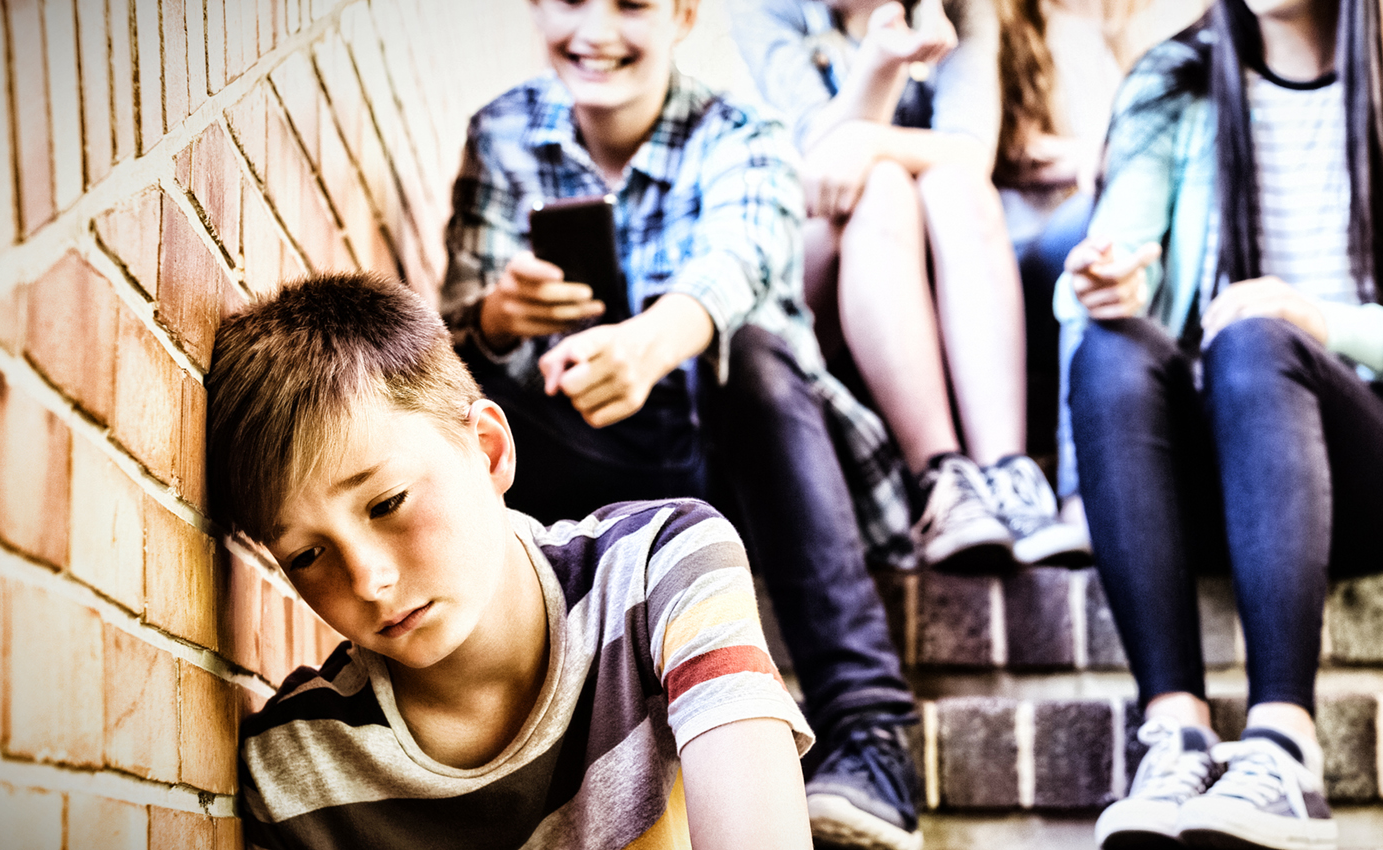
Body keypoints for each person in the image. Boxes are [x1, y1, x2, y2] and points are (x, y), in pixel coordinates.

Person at [437, 0, 927, 847]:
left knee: (761, 358)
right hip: (583, 449)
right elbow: (451, 322)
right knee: (465, 398)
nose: (595, 30)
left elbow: (740, 257)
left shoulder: (743, 129)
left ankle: (871, 736)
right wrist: (499, 315)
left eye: (630, 5)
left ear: (682, 16)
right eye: (569, 1)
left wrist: (652, 343)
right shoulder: (503, 130)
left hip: (739, 451)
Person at [1061, 0, 1383, 847]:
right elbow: (1116, 257)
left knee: (1260, 337)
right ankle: (1176, 736)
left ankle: (1282, 746)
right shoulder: (1172, 80)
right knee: (1109, 351)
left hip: (1369, 473)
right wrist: (1101, 280)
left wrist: (1318, 319)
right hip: (1219, 483)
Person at [211, 274, 813, 849]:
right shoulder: (297, 771)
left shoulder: (660, 570)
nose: (369, 581)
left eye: (387, 503)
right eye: (307, 555)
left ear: (489, 449)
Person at [731, 0, 1088, 571]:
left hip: (926, 258)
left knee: (957, 185)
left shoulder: (964, 11)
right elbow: (818, 174)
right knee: (884, 185)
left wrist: (867, 142)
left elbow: (971, 150)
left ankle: (1005, 472)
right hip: (818, 269)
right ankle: (939, 476)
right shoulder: (769, 13)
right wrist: (879, 66)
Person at [992, 0, 1194, 520]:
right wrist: (1101, 157)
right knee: (1101, 230)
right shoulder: (1009, 17)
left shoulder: (1162, 19)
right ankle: (1082, 492)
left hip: (1128, 231)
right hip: (1035, 247)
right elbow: (1007, 145)